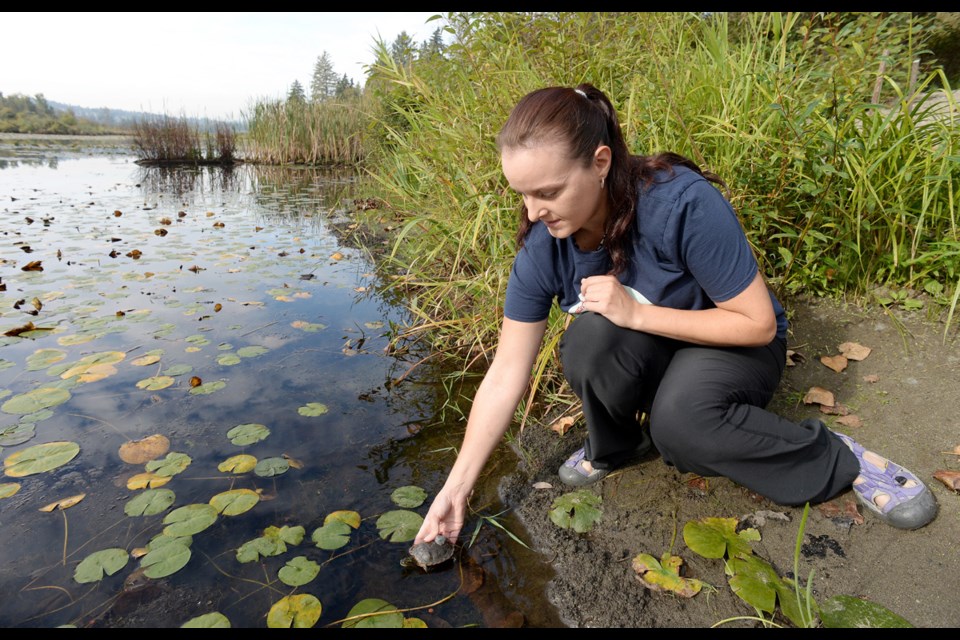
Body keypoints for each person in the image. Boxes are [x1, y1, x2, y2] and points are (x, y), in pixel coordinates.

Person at [413, 83, 938, 547]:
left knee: (681, 427)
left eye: (547, 192)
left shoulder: (680, 202)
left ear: (599, 163)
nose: (533, 211)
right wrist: (456, 488)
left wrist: (636, 315)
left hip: (734, 345)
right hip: (660, 351)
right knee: (588, 343)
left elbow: (756, 323)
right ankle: (616, 447)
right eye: (522, 194)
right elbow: (506, 371)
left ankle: (837, 457)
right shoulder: (543, 245)